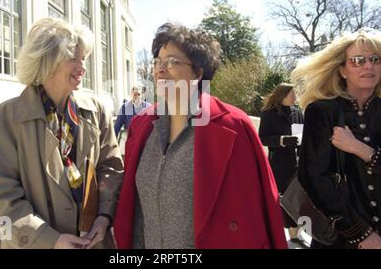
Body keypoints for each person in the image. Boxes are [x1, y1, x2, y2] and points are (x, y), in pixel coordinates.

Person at [113, 22, 287, 249]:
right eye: (157, 61)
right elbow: (134, 209)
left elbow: (255, 211)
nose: (159, 69)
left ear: (198, 72)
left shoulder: (233, 126)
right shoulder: (142, 125)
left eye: (172, 62)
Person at [0, 18, 124, 249]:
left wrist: (104, 217)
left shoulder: (96, 111)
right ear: (46, 61)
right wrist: (48, 240)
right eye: (72, 58)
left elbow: (111, 167)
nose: (82, 67)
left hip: (92, 242)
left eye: (83, 58)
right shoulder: (2, 120)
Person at [292, 28, 381, 249]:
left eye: (375, 59)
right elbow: (313, 177)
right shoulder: (322, 111)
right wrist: (361, 233)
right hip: (341, 236)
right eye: (358, 61)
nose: (368, 66)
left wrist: (361, 149)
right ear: (342, 70)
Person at [259, 83, 305, 243]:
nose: (294, 97)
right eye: (291, 94)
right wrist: (283, 140)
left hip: (299, 164)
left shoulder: (298, 112)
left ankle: (295, 233)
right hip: (279, 164)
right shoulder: (268, 113)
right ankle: (286, 232)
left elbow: (302, 133)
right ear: (281, 95)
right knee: (282, 198)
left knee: (298, 198)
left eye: (295, 94)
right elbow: (263, 138)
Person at [114, 87, 151, 154]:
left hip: (144, 143)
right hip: (130, 141)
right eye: (135, 94)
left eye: (138, 94)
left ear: (142, 95)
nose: (136, 96)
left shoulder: (148, 107)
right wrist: (112, 144)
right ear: (132, 95)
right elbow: (117, 126)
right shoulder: (125, 107)